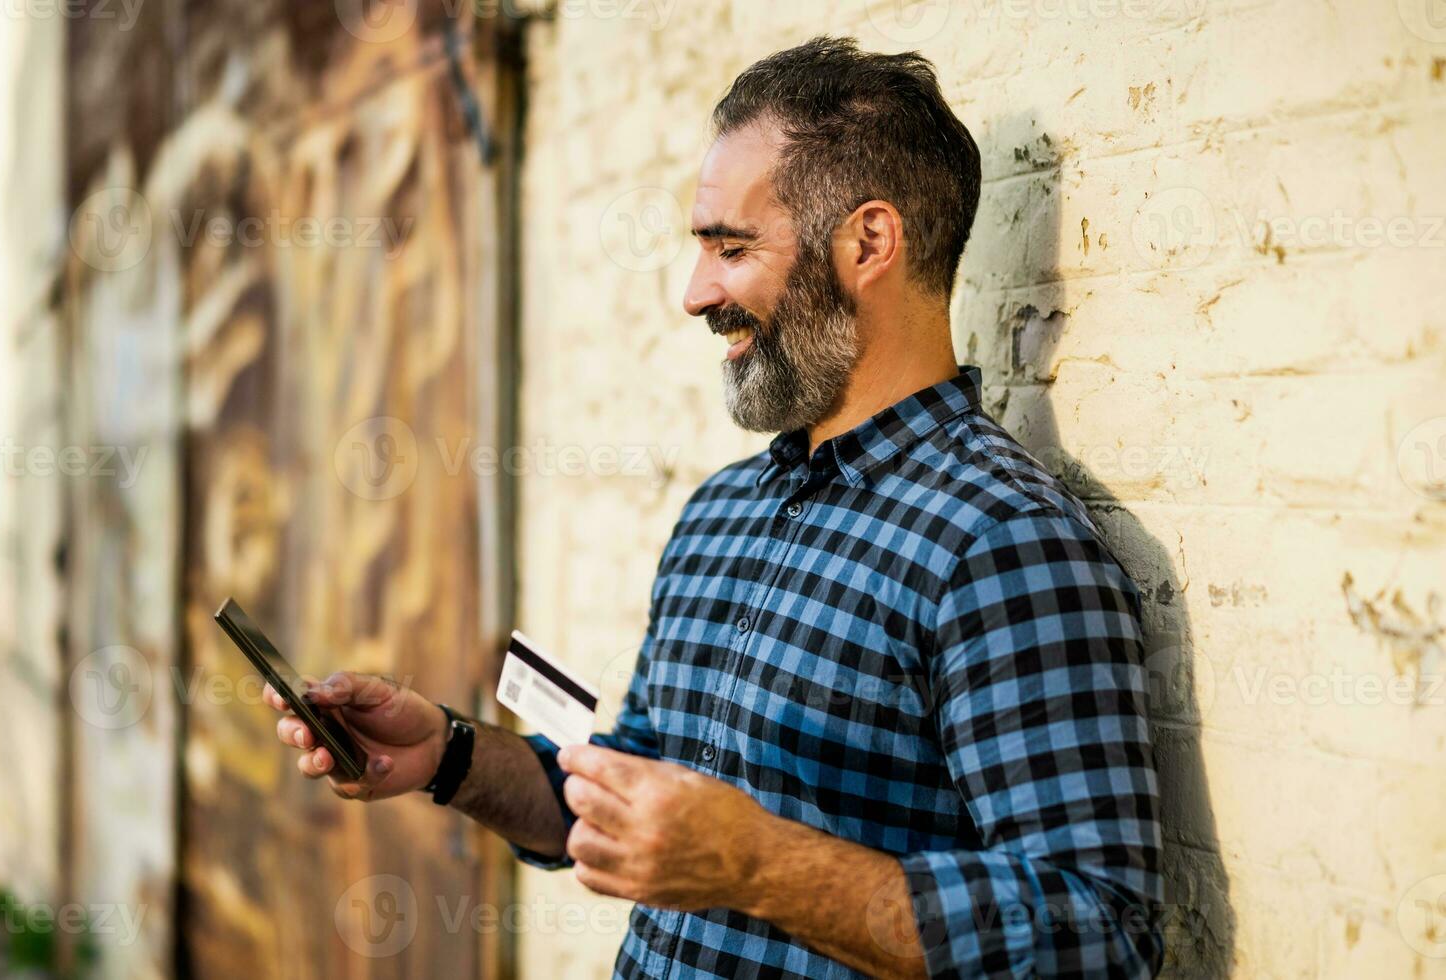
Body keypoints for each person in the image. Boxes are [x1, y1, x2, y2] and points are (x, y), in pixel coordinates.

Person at [267, 36, 1165, 979]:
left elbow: (1102, 935)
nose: (697, 294)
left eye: (732, 249)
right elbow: (631, 784)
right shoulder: (723, 512)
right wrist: (447, 756)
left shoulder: (1000, 541)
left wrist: (753, 863)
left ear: (868, 243)